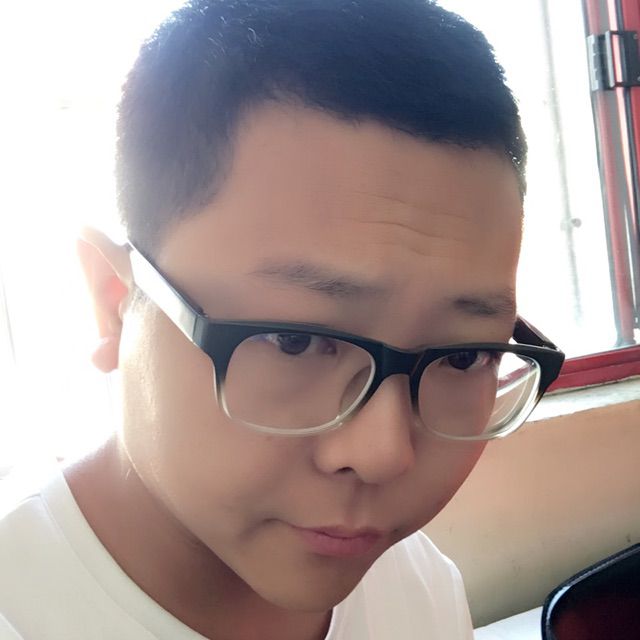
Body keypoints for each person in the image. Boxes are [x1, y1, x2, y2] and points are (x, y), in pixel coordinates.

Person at [0, 1, 564, 638]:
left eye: (465, 357)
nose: (384, 454)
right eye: (295, 341)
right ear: (115, 301)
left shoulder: (418, 586)